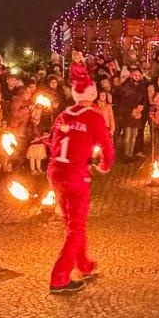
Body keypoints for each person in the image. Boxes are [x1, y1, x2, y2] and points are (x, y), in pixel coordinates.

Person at [46, 57, 114, 295]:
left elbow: (54, 142)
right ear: (93, 94)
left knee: (72, 223)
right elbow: (107, 146)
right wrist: (105, 164)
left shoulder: (64, 115)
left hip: (56, 172)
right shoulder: (93, 117)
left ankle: (83, 265)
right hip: (75, 176)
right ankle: (59, 277)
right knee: (76, 227)